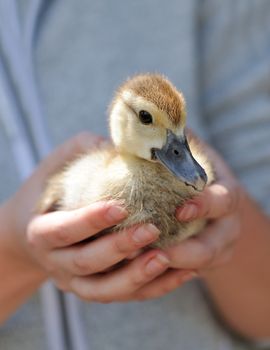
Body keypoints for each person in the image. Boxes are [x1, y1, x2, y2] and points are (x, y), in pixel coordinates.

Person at [1, 1, 270, 349]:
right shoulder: (89, 177)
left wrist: (229, 231)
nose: (179, 150)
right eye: (146, 119)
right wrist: (15, 250)